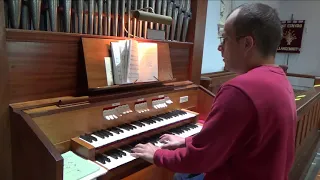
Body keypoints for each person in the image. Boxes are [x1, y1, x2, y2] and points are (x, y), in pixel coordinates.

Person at [131, 3, 297, 180]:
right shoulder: (280, 79)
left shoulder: (240, 90)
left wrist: (157, 154)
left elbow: (200, 159)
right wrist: (186, 141)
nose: (220, 47)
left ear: (247, 43)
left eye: (225, 39)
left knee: (180, 176)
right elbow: (231, 139)